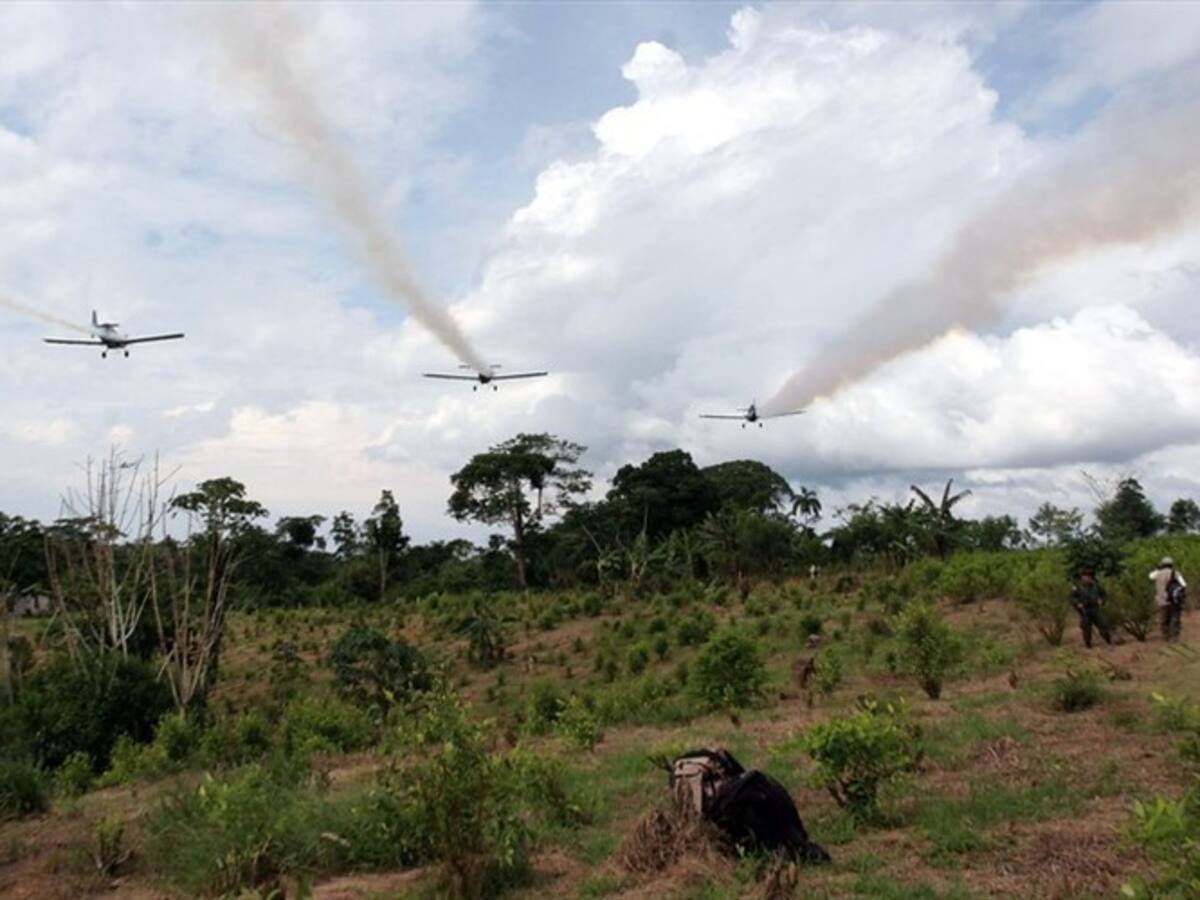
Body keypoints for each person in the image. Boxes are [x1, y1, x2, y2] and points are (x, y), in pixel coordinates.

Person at [1070, 568, 1112, 648]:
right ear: (1082, 577)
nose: (1087, 578)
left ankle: (1108, 640)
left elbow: (1104, 594)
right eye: (1085, 576)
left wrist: (1102, 601)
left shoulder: (1096, 586)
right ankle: (1088, 645)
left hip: (1095, 609)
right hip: (1085, 610)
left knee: (1103, 624)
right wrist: (1077, 603)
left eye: (1089, 576)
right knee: (1086, 628)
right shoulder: (1077, 587)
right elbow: (1072, 598)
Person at [1150, 557, 1188, 642]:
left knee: (1164, 620)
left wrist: (1158, 568)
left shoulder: (1157, 574)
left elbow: (1150, 576)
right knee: (1175, 619)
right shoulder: (1175, 573)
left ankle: (1166, 637)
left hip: (1162, 600)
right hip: (1174, 600)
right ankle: (1174, 638)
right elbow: (1184, 584)